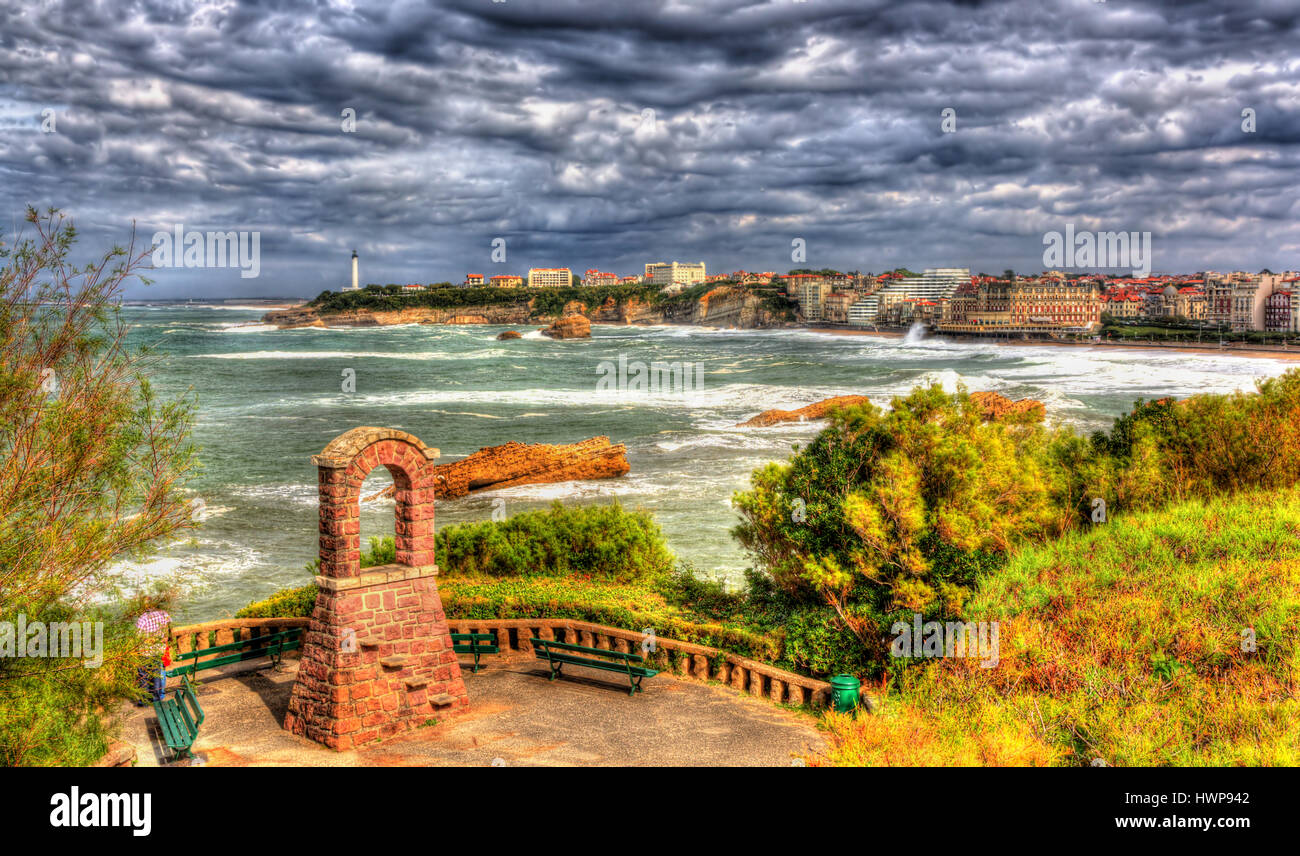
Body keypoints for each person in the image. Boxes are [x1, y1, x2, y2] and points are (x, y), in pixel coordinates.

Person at [135, 602, 172, 705]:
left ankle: (145, 700)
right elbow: (168, 628)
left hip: (145, 652)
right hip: (158, 650)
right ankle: (156, 698)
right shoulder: (163, 614)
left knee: (143, 676)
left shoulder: (143, 619)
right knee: (156, 675)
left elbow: (138, 637)